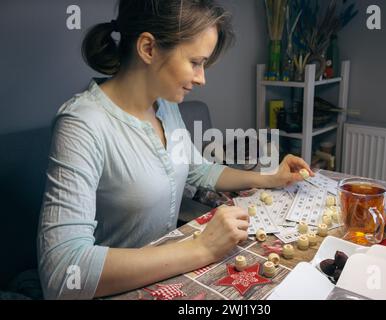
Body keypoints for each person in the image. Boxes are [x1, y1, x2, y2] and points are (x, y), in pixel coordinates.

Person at [37, 0, 313, 300]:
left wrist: (270, 178)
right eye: (195, 62)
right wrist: (201, 248)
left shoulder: (164, 105)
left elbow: (199, 169)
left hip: (166, 276)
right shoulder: (81, 124)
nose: (201, 78)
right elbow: (63, 273)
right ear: (148, 49)